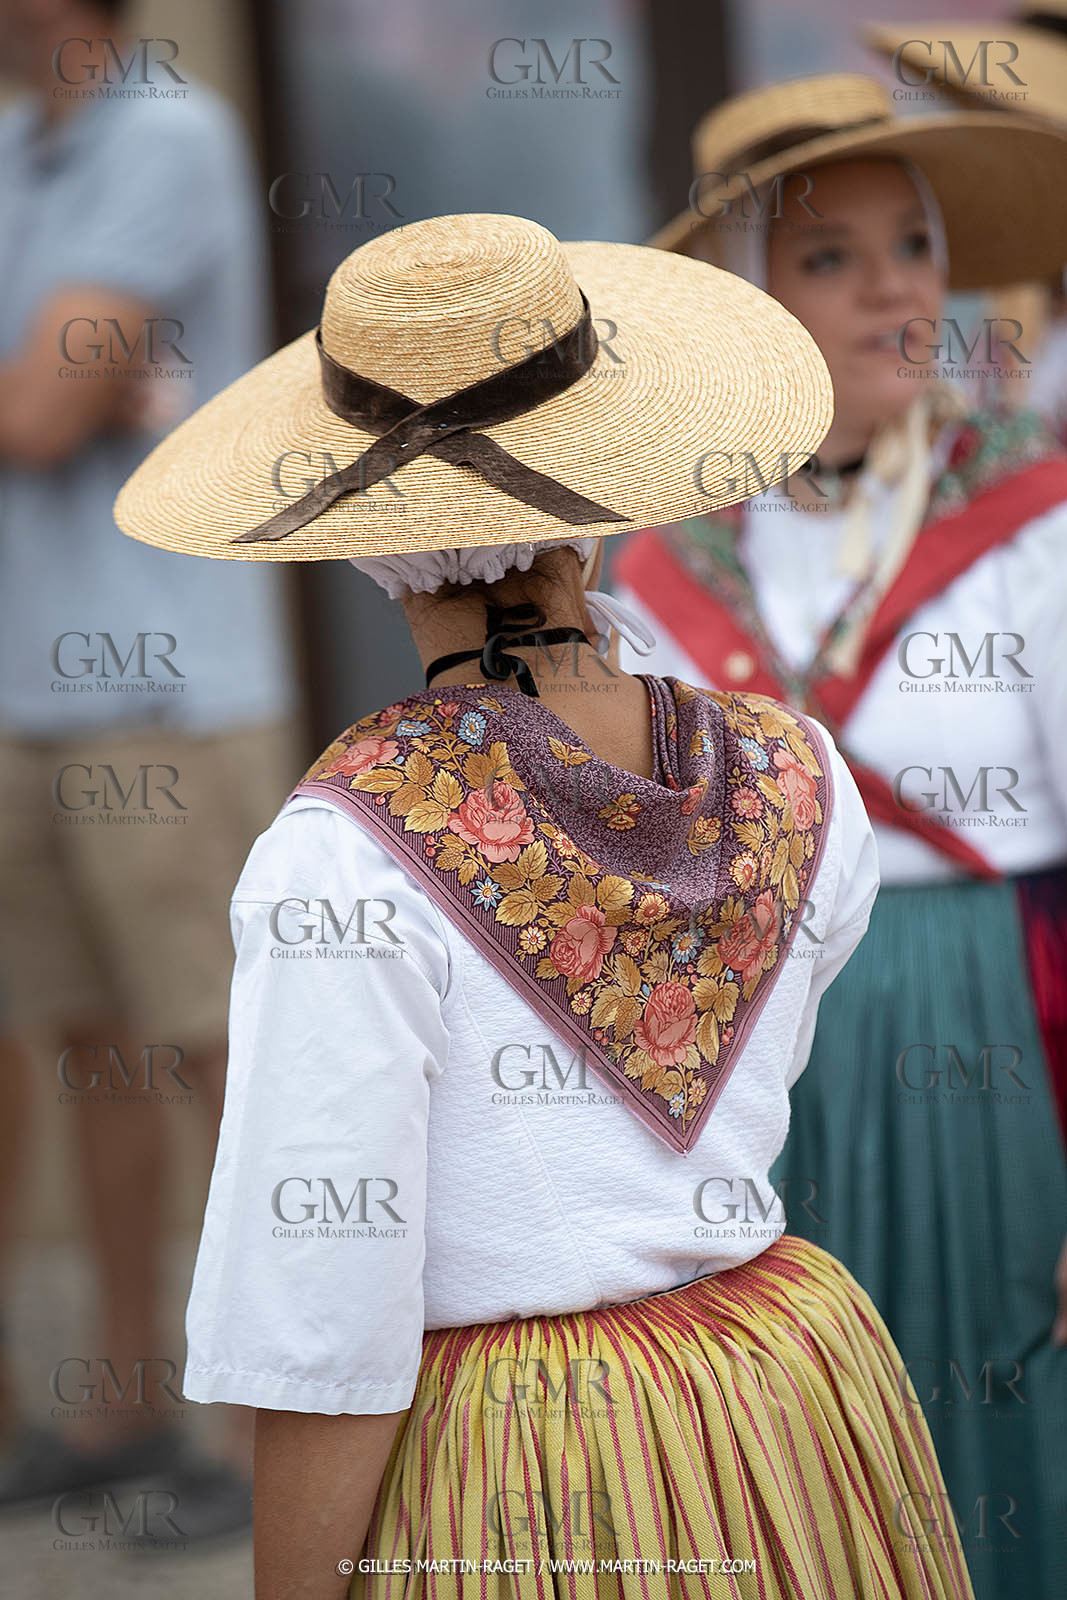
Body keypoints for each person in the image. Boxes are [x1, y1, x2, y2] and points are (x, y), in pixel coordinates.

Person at [113, 210, 977, 1598]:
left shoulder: (341, 859)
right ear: (603, 494)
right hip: (783, 1406)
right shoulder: (803, 776)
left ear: (362, 536)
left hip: (529, 1472)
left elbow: (325, 1312)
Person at [611, 73, 1067, 1600]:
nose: (892, 288)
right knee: (791, 1465)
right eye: (829, 257)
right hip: (749, 1066)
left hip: (986, 1038)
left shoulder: (1034, 512)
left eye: (916, 246)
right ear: (749, 304)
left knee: (993, 1417)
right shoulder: (661, 561)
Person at [0, 0, 300, 1531]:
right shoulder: (16, 146)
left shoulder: (172, 128)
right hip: (32, 690)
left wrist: (65, 384)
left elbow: (39, 412)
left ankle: (269, 1449)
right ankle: (126, 1410)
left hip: (170, 699)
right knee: (90, 1048)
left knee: (220, 1059)